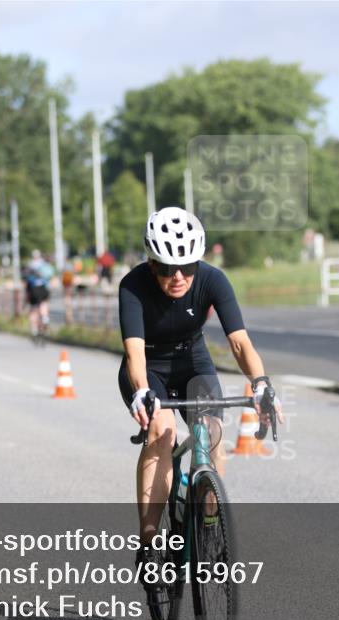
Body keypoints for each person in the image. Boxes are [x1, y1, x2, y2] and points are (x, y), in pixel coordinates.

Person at [117, 207, 283, 564]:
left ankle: (207, 523)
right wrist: (143, 391)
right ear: (150, 263)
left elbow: (239, 342)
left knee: (212, 433)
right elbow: (133, 350)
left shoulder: (213, 280)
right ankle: (148, 545)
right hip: (149, 366)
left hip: (193, 361)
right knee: (162, 432)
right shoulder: (132, 286)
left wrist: (262, 383)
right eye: (166, 268)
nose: (178, 277)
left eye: (187, 267)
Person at [24, 250, 53, 337]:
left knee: (33, 310)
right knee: (44, 304)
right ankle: (45, 317)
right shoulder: (43, 265)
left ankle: (34, 329)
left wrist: (26, 301)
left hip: (33, 290)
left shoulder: (30, 265)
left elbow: (27, 290)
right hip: (43, 288)